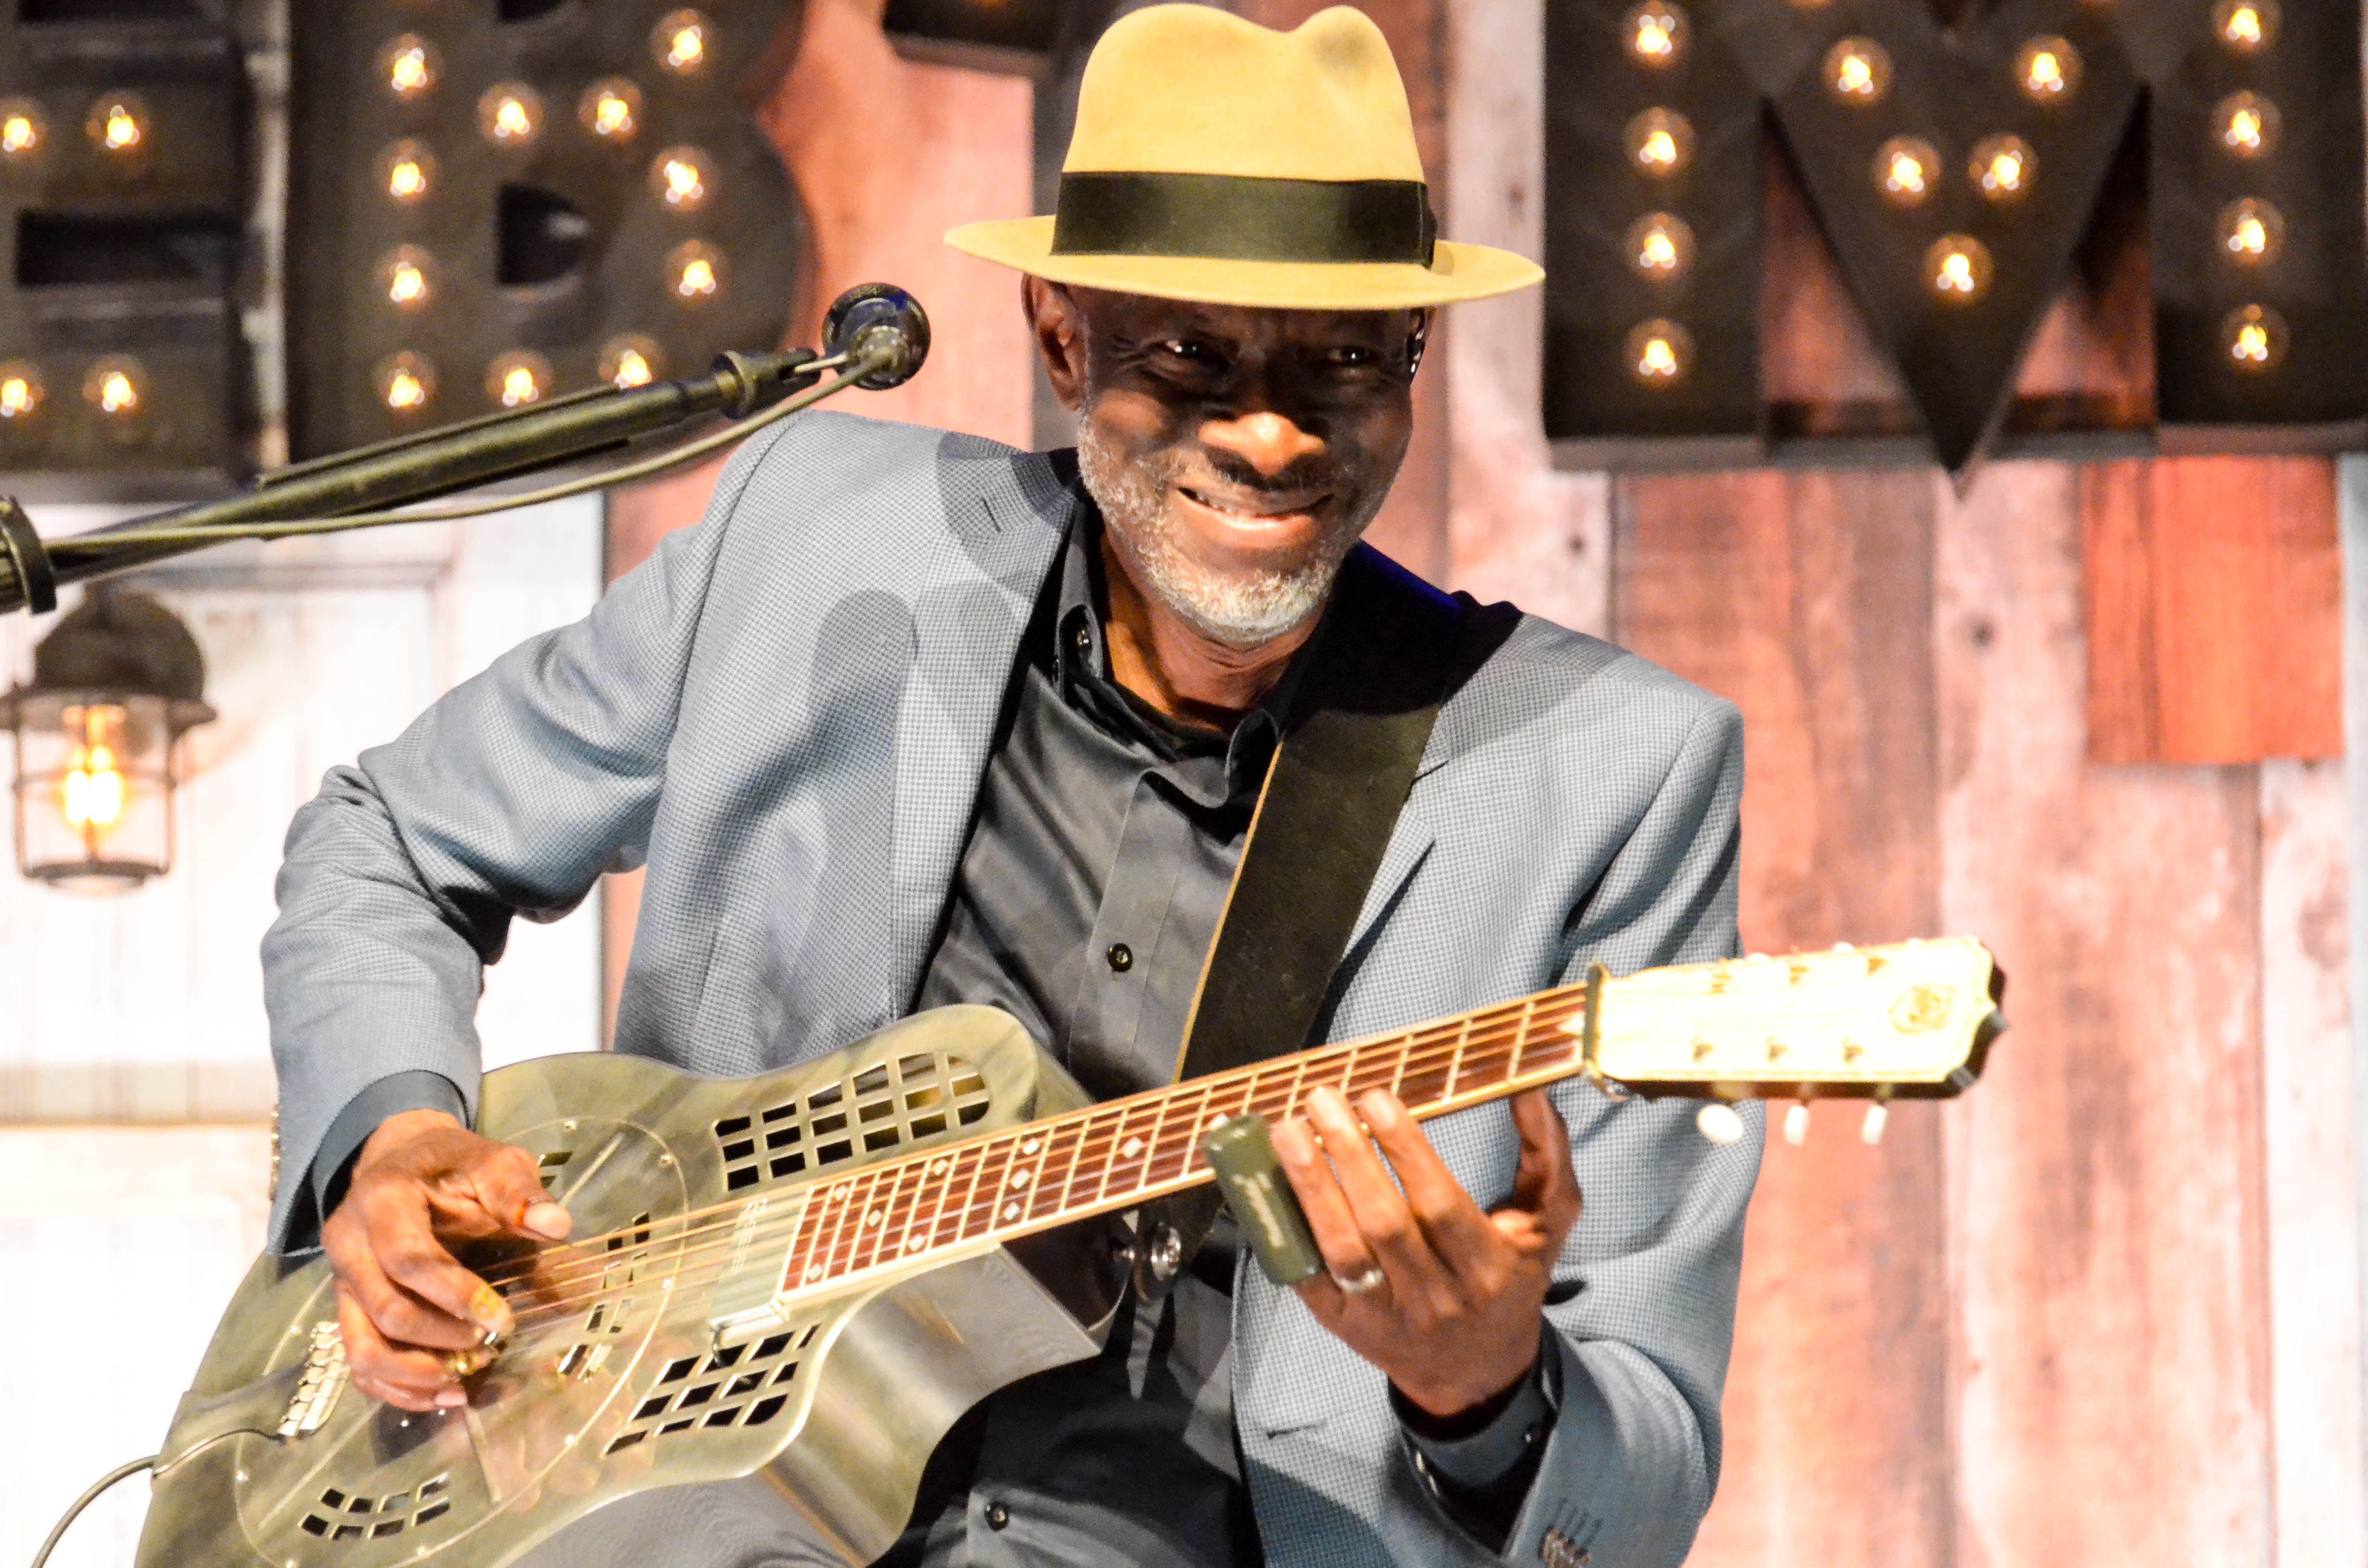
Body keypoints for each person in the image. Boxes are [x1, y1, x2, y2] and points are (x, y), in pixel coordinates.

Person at [261, 8, 1758, 1567]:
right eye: (1190, 352)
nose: (1269, 432)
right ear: (1060, 338)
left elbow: (1640, 1477)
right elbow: (388, 841)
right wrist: (389, 1144)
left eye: (1345, 360)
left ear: (1414, 363)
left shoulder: (1607, 772)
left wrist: (1481, 1392)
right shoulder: (815, 543)